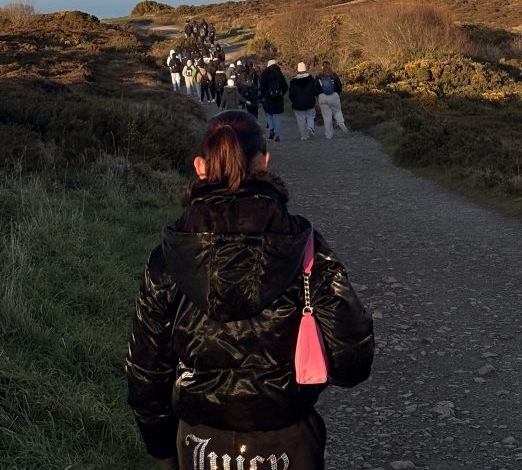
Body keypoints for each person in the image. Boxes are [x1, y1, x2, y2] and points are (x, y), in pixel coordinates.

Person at [126, 111, 374, 470]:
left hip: (198, 444)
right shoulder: (305, 249)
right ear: (264, 163)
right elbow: (353, 360)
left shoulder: (168, 259)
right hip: (289, 441)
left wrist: (164, 450)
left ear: (200, 167)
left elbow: (146, 374)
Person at [315, 62, 348, 139]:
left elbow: (315, 89)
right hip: (334, 96)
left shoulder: (318, 77)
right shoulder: (334, 76)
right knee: (337, 111)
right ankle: (340, 122)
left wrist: (319, 96)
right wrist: (337, 94)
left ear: (322, 67)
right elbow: (339, 87)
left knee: (327, 117)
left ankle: (329, 135)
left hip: (322, 97)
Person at [259, 59, 288, 141]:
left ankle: (271, 129)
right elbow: (285, 86)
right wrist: (281, 93)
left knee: (269, 114)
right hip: (278, 97)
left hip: (268, 97)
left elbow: (262, 86)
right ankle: (278, 135)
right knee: (277, 117)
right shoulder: (279, 73)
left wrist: (263, 95)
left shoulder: (265, 73)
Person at [289, 62, 317, 141]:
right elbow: (315, 91)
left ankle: (304, 136)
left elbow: (291, 94)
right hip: (310, 102)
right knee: (311, 116)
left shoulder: (294, 81)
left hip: (298, 104)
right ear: (305, 69)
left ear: (297, 70)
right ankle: (310, 127)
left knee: (300, 120)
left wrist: (293, 100)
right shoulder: (311, 80)